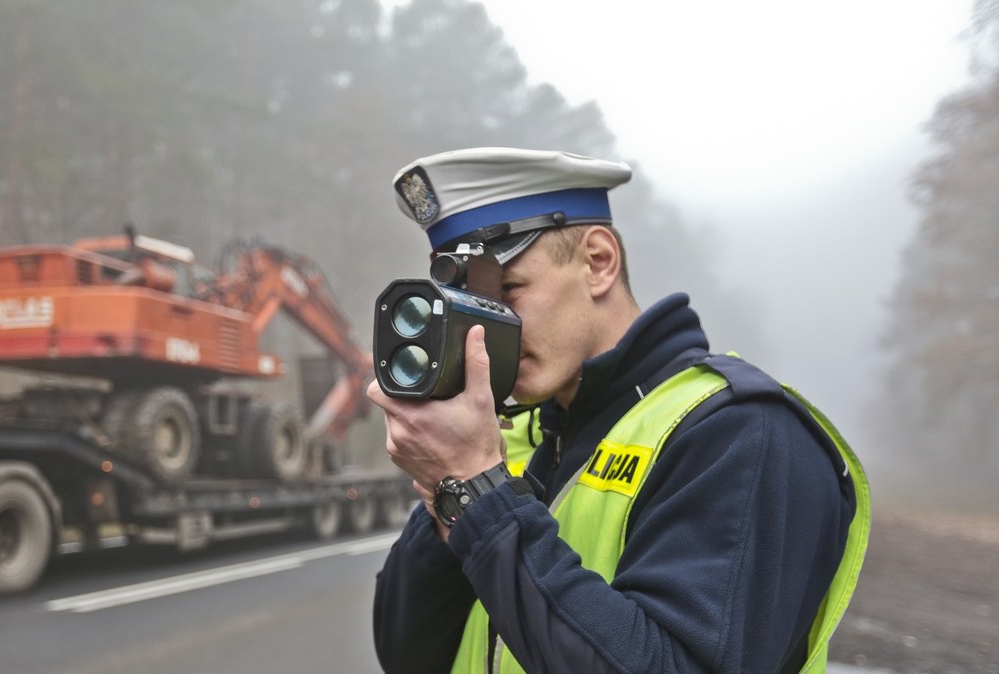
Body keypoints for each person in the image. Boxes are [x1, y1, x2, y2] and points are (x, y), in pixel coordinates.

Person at [367, 147, 870, 674]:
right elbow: (410, 655)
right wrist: (445, 495)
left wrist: (479, 492)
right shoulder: (516, 440)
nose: (485, 331)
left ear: (598, 262)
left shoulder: (739, 433)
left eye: (507, 291)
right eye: (466, 304)